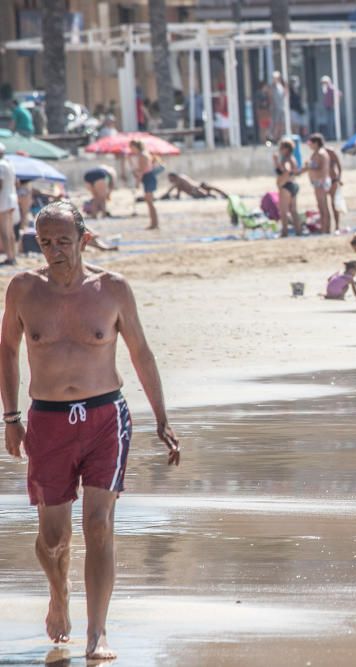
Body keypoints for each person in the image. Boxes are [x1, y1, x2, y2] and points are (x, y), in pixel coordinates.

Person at [0, 201, 180, 661]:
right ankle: (59, 593)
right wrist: (11, 419)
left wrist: (162, 417)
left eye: (63, 240)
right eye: (45, 242)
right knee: (53, 538)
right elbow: (7, 351)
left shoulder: (113, 288)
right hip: (47, 420)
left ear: (84, 238)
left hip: (105, 418)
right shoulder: (23, 289)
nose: (54, 250)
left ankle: (97, 632)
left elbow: (141, 351)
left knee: (99, 525)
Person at [127, 140, 162, 230]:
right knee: (149, 202)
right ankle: (154, 223)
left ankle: (155, 223)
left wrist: (137, 183)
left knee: (150, 202)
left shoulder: (143, 155)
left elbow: (142, 171)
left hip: (148, 178)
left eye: (131, 147)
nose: (130, 149)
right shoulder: (142, 155)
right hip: (147, 178)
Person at [273, 138, 302, 237]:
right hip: (293, 185)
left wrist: (277, 162)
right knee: (293, 210)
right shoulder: (292, 158)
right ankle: (298, 231)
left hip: (286, 186)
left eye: (281, 147)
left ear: (286, 148)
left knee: (283, 211)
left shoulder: (286, 159)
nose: (280, 149)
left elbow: (286, 169)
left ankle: (284, 232)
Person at [306, 134, 332, 235]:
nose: (309, 145)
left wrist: (309, 168)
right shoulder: (317, 153)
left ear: (316, 143)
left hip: (321, 182)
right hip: (318, 182)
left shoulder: (321, 154)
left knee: (323, 207)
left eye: (311, 143)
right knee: (321, 206)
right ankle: (325, 228)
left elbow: (321, 170)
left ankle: (326, 229)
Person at [0, 143, 17, 265]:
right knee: (10, 230)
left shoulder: (1, 165)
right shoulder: (9, 164)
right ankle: (13, 255)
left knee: (4, 231)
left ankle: (10, 257)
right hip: (11, 197)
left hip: (3, 200)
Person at [325, 145, 343, 232]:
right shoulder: (316, 152)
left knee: (334, 204)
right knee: (324, 205)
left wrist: (339, 178)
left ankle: (337, 226)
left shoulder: (330, 151)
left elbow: (338, 165)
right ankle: (327, 227)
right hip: (323, 182)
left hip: (333, 179)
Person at [271, 71, 287, 138]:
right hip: (276, 108)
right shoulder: (272, 87)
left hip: (282, 107)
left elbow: (284, 94)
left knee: (282, 123)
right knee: (276, 123)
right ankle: (275, 137)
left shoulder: (281, 86)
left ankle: (280, 136)